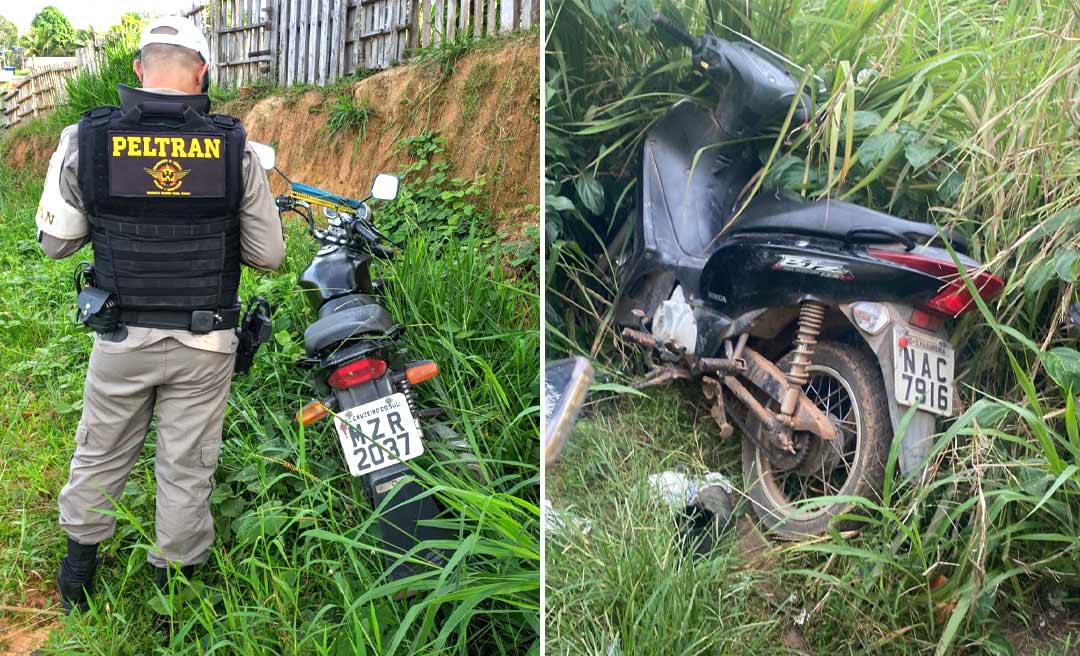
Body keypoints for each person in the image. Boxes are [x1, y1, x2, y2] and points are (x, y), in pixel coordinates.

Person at [34, 16, 285, 613]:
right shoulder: (234, 149)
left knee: (100, 449)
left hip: (122, 337)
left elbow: (56, 244)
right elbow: (269, 255)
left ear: (139, 70)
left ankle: (77, 577)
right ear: (202, 74)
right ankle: (174, 595)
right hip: (205, 344)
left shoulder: (85, 138)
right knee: (186, 464)